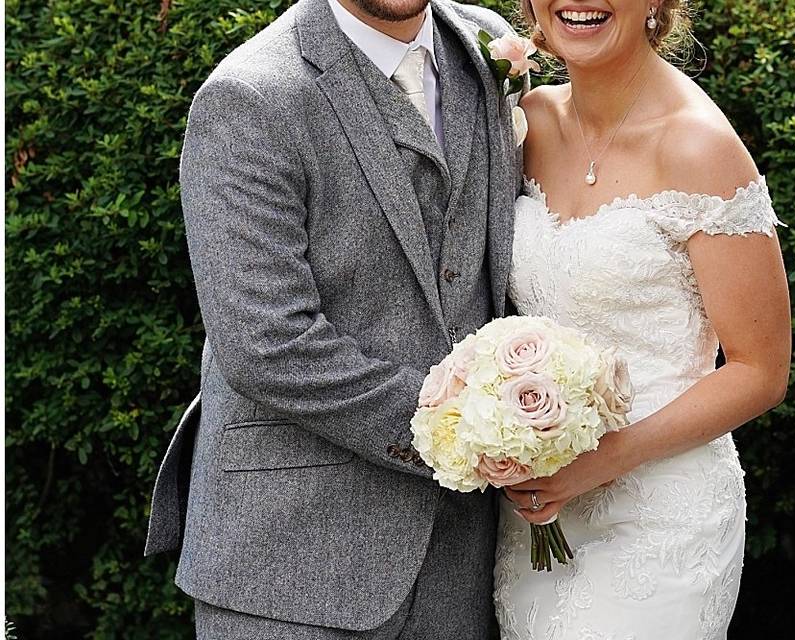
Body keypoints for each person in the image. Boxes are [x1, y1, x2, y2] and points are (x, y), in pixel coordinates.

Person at [143, 0, 524, 636]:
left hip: (468, 560)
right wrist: (480, 431)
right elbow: (269, 345)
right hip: (294, 563)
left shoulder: (490, 48)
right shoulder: (251, 97)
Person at [495, 0, 792, 637]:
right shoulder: (530, 119)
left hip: (661, 508)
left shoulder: (698, 147)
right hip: (538, 511)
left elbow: (760, 370)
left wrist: (602, 460)